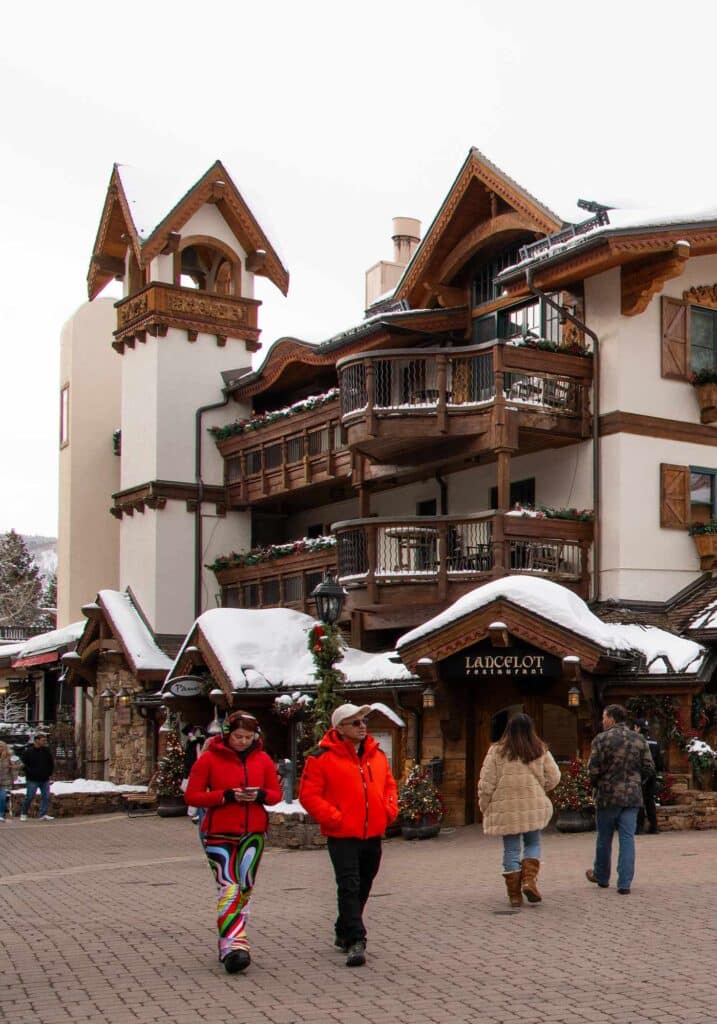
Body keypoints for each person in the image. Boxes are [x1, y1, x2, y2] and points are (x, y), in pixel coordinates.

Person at [299, 703, 398, 968]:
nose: (362, 726)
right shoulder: (321, 757)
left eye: (364, 721)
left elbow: (389, 785)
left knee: (364, 884)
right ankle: (356, 939)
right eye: (355, 722)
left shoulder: (377, 755)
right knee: (349, 885)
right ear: (340, 728)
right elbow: (309, 795)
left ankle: (343, 929)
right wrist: (335, 817)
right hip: (342, 835)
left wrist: (389, 809)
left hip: (372, 832)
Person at [184, 710, 281, 974]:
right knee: (229, 888)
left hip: (253, 833)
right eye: (238, 736)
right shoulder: (209, 759)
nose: (243, 741)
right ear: (227, 734)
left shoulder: (262, 759)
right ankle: (234, 948)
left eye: (248, 737)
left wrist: (258, 795)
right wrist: (225, 796)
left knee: (245, 889)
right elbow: (192, 796)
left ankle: (230, 940)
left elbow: (275, 795)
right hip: (219, 833)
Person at [477, 713, 561, 908]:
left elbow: (486, 783)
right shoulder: (539, 749)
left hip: (506, 808)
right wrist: (542, 787)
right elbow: (555, 776)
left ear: (509, 729)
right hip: (533, 805)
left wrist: (484, 805)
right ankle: (529, 882)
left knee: (511, 849)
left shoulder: (496, 751)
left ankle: (514, 895)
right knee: (533, 843)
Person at [586, 704, 654, 895]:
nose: (602, 721)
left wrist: (597, 784)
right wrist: (637, 781)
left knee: (604, 837)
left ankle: (602, 876)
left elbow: (593, 769)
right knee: (627, 838)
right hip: (632, 796)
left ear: (612, 719)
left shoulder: (601, 739)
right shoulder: (639, 739)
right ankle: (624, 883)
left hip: (607, 795)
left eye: (604, 717)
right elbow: (649, 767)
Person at [632, 719, 662, 834]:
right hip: (651, 774)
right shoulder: (654, 742)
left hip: (639, 773)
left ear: (637, 728)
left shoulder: (635, 741)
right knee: (650, 800)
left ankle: (639, 828)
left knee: (639, 800)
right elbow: (659, 761)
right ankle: (654, 827)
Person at [19, 732, 54, 821]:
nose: (44, 742)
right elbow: (22, 764)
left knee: (46, 796)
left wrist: (49, 773)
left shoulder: (46, 751)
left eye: (45, 740)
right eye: (43, 740)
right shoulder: (28, 752)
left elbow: (51, 763)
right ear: (36, 741)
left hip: (44, 779)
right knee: (30, 797)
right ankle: (23, 813)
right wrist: (29, 772)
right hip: (32, 779)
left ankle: (43, 814)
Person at [0, 741, 15, 821]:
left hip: (5, 781)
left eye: (1, 746)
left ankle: (1, 815)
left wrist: (13, 766)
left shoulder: (10, 756)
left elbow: (20, 764)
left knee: (2, 798)